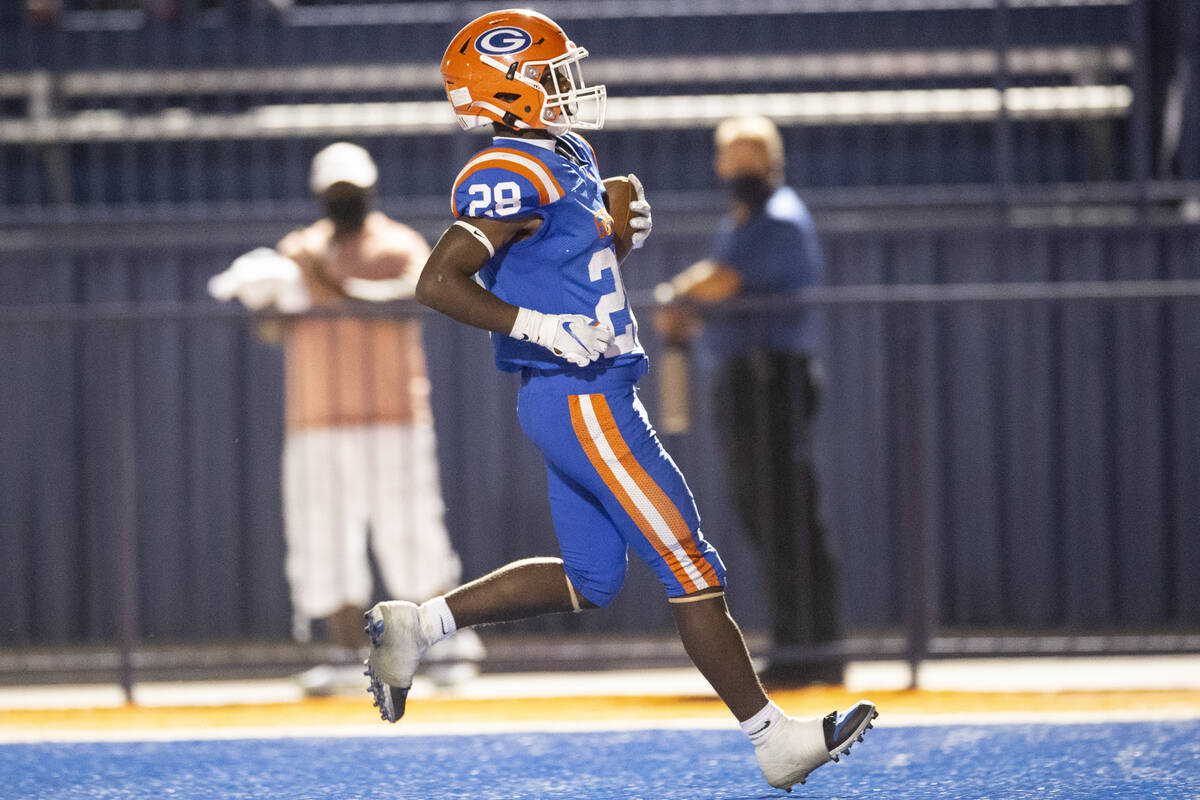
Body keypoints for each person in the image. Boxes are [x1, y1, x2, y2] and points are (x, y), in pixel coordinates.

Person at [361, 10, 876, 791]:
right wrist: (530, 322)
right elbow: (438, 280)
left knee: (589, 579)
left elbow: (570, 271)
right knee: (689, 559)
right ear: (507, 91)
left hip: (583, 390)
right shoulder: (508, 168)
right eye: (551, 75)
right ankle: (774, 739)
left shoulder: (563, 153)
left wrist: (617, 233)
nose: (569, 87)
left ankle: (419, 625)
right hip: (583, 398)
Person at [208, 142, 482, 695]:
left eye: (351, 193)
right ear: (319, 196)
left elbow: (408, 299)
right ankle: (343, 651)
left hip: (393, 417)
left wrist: (326, 283)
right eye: (335, 194)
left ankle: (442, 645)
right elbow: (273, 330)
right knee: (322, 538)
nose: (344, 202)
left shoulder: (398, 244)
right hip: (315, 422)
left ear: (370, 192)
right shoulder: (298, 251)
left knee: (411, 530)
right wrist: (264, 300)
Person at [653, 115, 841, 688]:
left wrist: (677, 294)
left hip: (770, 380)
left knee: (785, 513)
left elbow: (722, 280)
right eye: (731, 161)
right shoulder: (743, 219)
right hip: (747, 378)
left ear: (773, 162)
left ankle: (813, 649)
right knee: (767, 513)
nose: (740, 173)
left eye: (750, 161)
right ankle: (800, 645)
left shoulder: (777, 220)